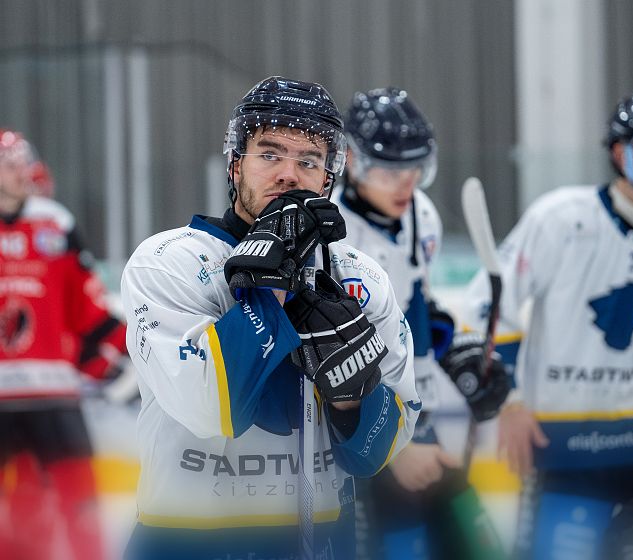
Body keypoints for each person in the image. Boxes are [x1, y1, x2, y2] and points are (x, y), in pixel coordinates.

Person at [120, 76, 421, 560]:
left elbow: (382, 446)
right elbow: (209, 407)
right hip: (187, 544)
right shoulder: (168, 261)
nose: (289, 174)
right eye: (270, 154)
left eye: (308, 161)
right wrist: (271, 290)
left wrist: (351, 402)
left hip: (322, 541)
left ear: (328, 177)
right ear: (236, 164)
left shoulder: (359, 276)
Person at [334, 87, 510, 560]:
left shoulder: (421, 216)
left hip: (415, 422)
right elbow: (331, 357)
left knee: (477, 547)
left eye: (416, 168)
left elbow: (420, 309)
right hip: (358, 443)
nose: (406, 183)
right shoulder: (329, 230)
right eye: (390, 169)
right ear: (351, 160)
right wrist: (389, 449)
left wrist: (464, 358)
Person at [463, 93, 633, 560]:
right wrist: (511, 400)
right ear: (619, 153)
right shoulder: (561, 219)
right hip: (566, 449)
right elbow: (487, 303)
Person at [0, 129, 128, 560]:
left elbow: (87, 309)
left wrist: (139, 346)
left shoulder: (55, 222)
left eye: (23, 162)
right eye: (10, 164)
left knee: (82, 511)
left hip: (53, 397)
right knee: (14, 523)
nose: (23, 171)